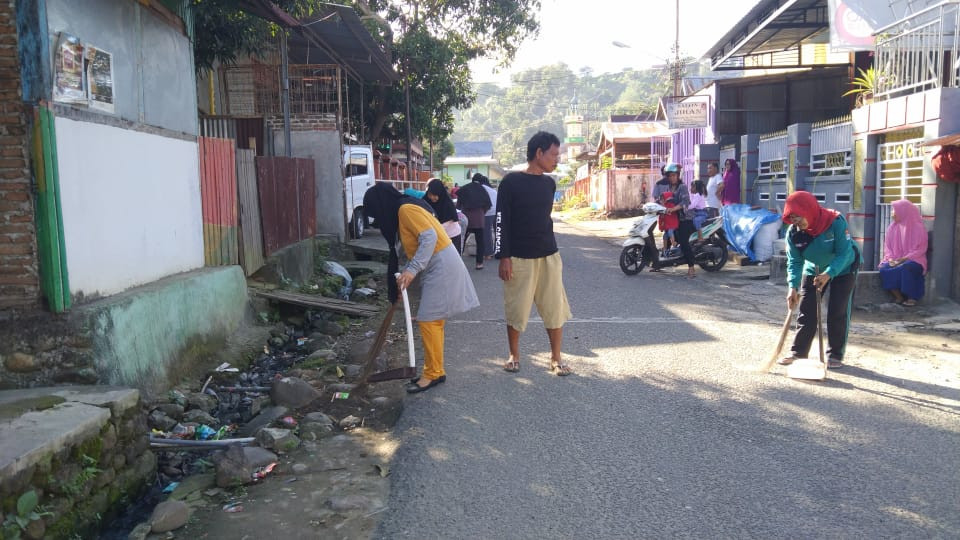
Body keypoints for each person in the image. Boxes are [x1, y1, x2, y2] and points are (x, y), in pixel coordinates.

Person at [362, 183, 479, 393]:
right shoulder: (406, 207)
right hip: (439, 262)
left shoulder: (405, 210)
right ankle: (437, 370)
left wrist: (412, 269)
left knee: (428, 320)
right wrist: (406, 274)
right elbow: (415, 247)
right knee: (434, 320)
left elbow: (429, 237)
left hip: (441, 264)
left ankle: (432, 374)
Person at [495, 131, 573, 376]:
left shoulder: (549, 184)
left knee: (554, 308)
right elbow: (501, 221)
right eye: (553, 154)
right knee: (516, 309)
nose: (556, 159)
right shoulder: (510, 182)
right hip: (519, 257)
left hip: (549, 255)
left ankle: (556, 359)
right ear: (538, 153)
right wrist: (503, 256)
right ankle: (514, 355)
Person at [778, 191, 860, 369]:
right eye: (792, 218)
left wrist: (829, 273)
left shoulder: (835, 222)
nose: (797, 222)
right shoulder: (794, 233)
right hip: (814, 267)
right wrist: (792, 287)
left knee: (837, 310)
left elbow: (844, 253)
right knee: (807, 309)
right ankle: (798, 352)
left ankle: (835, 354)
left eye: (799, 217)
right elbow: (794, 261)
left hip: (844, 267)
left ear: (809, 210)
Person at [878, 199, 927, 306]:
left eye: (895, 210)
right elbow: (888, 247)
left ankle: (912, 297)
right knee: (884, 268)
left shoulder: (918, 227)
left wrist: (904, 259)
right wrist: (891, 259)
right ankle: (898, 297)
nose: (892, 213)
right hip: (896, 259)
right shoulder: (892, 227)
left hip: (915, 260)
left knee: (906, 267)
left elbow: (921, 249)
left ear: (904, 211)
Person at [652, 163, 697, 278]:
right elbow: (662, 199)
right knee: (666, 237)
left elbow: (685, 202)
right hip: (673, 219)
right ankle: (660, 263)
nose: (672, 178)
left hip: (685, 219)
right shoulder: (669, 188)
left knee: (683, 241)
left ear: (678, 175)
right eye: (670, 176)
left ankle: (691, 267)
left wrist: (673, 209)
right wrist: (653, 206)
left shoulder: (682, 187)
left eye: (674, 175)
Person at [456, 173, 492, 270]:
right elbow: (488, 205)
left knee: (461, 240)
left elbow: (458, 205)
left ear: (472, 179)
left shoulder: (464, 189)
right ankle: (479, 263)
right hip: (479, 219)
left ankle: (458, 262)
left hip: (466, 219)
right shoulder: (483, 190)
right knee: (480, 241)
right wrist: (482, 212)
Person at [423, 178, 462, 253]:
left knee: (452, 260)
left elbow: (443, 226)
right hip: (438, 235)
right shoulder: (426, 200)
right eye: (430, 195)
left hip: (452, 235)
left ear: (440, 194)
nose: (431, 197)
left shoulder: (447, 204)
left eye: (435, 195)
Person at [479, 175, 498, 260]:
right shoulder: (493, 190)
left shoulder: (481, 188)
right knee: (498, 232)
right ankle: (498, 251)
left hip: (487, 212)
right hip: (497, 211)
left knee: (487, 232)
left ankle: (488, 253)